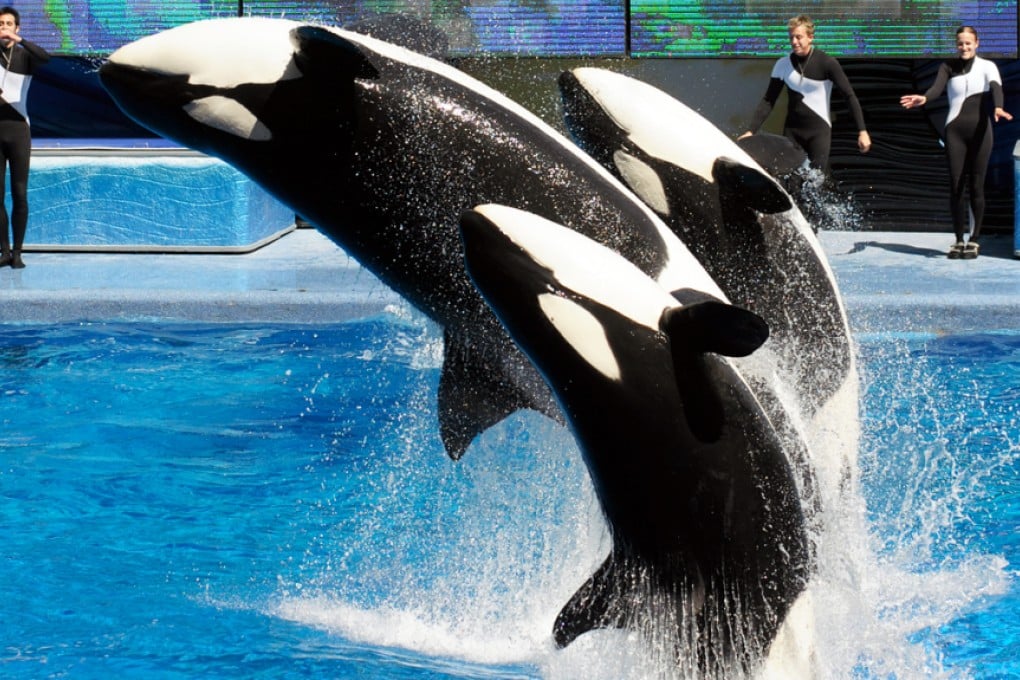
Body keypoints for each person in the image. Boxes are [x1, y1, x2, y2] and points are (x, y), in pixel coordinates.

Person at [900, 26, 1012, 260]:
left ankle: (974, 240)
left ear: (977, 43)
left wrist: (999, 107)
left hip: (981, 131)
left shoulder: (987, 66)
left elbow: (996, 88)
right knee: (956, 186)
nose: (964, 47)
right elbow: (936, 89)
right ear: (956, 44)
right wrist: (924, 97)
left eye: (968, 43)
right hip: (955, 131)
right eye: (960, 43)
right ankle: (959, 239)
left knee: (977, 186)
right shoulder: (947, 66)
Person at [739, 14, 872, 173]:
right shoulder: (782, 64)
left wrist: (862, 131)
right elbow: (768, 100)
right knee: (789, 179)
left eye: (799, 37)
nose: (794, 42)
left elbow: (849, 96)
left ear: (810, 37)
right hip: (792, 133)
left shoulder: (827, 63)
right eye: (791, 37)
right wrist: (751, 131)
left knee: (814, 182)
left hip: (819, 134)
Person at [0, 6, 48, 269]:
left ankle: (17, 252)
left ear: (16, 28)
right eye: (0, 24)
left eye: (9, 24)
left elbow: (46, 58)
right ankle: (4, 251)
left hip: (19, 131)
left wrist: (21, 41)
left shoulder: (24, 56)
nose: (4, 28)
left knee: (19, 193)